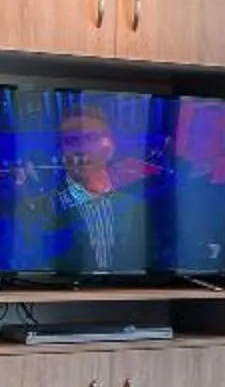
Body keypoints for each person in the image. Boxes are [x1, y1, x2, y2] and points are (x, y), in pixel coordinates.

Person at [47, 105, 150, 275]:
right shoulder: (37, 209)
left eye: (91, 138)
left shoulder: (138, 207)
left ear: (110, 147)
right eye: (71, 141)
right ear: (60, 151)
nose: (81, 148)